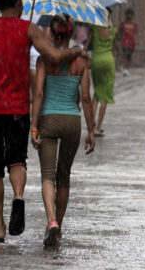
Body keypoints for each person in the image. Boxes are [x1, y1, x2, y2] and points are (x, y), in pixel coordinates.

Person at [0, 0, 86, 243]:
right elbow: (55, 56)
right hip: (16, 108)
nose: (25, 5)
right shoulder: (29, 29)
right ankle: (19, 197)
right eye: (22, 1)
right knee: (16, 161)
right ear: (16, 2)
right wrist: (77, 51)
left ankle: (0, 227)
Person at [31, 15, 95, 247]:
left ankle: (51, 221)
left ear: (52, 33)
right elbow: (86, 98)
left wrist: (34, 126)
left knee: (47, 175)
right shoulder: (82, 61)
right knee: (63, 175)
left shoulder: (43, 60)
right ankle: (60, 225)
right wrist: (92, 130)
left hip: (48, 119)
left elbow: (38, 94)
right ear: (69, 34)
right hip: (72, 122)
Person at [84, 11, 117, 137]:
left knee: (97, 94)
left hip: (96, 61)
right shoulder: (113, 31)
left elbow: (86, 46)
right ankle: (98, 128)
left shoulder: (95, 29)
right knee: (105, 96)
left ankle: (91, 124)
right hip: (108, 62)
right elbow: (113, 50)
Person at [118, 8, 138, 76]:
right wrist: (120, 39)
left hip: (131, 43)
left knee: (129, 56)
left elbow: (135, 33)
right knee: (125, 55)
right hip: (124, 42)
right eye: (129, 14)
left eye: (131, 15)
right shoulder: (123, 23)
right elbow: (120, 32)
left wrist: (136, 41)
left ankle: (127, 68)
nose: (130, 16)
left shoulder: (134, 24)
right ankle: (124, 68)